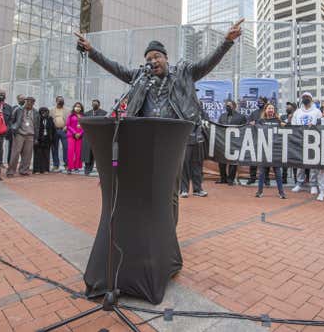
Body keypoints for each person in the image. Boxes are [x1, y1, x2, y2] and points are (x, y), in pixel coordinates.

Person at [76, 19, 244, 224]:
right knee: (144, 188)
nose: (153, 61)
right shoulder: (140, 77)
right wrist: (92, 52)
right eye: (149, 58)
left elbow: (208, 62)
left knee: (169, 192)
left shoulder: (184, 73)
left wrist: (226, 41)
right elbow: (115, 68)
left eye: (157, 56)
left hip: (172, 142)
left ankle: (168, 235)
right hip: (143, 141)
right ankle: (148, 229)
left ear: (166, 58)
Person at [291, 92, 322, 193]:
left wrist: (313, 126)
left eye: (307, 97)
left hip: (313, 141)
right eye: (303, 97)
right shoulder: (297, 112)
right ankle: (299, 183)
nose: (305, 99)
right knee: (300, 163)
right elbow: (293, 125)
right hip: (300, 140)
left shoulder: (317, 111)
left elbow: (320, 125)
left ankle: (313, 184)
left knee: (313, 163)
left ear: (311, 99)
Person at [255, 103, 287, 199]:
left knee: (277, 172)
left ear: (274, 111)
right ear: (265, 110)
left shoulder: (278, 120)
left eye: (272, 108)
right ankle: (259, 192)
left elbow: (288, 127)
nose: (270, 110)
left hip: (275, 150)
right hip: (264, 150)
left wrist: (284, 125)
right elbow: (255, 128)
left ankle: (281, 193)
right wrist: (253, 124)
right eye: (269, 108)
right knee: (261, 173)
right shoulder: (261, 121)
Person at [216, 100, 246, 185]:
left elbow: (244, 130)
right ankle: (223, 178)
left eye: (229, 105)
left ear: (234, 106)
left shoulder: (241, 117)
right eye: (226, 105)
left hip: (235, 143)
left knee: (233, 162)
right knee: (221, 161)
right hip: (223, 141)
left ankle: (230, 179)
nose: (227, 107)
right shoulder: (222, 116)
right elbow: (218, 128)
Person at [7, 97, 39, 177]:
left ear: (33, 103)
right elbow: (11, 120)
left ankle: (24, 170)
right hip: (19, 134)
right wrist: (13, 128)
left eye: (31, 102)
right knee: (15, 153)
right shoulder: (18, 110)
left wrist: (36, 137)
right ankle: (11, 171)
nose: (28, 104)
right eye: (27, 102)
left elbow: (37, 125)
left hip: (30, 134)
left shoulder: (35, 112)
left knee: (27, 154)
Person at [82, 99, 107, 175]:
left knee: (99, 154)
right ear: (91, 105)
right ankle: (87, 170)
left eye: (96, 104)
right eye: (93, 104)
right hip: (88, 136)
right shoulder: (86, 113)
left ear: (99, 105)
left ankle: (101, 171)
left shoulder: (104, 113)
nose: (94, 105)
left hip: (99, 136)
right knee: (88, 153)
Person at [247, 96, 268, 185]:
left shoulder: (269, 112)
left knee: (266, 161)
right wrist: (251, 123)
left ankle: (266, 179)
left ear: (265, 103)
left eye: (261, 101)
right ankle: (252, 178)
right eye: (258, 101)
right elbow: (248, 122)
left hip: (266, 139)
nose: (259, 103)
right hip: (255, 139)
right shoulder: (254, 113)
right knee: (253, 160)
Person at [33, 107, 54, 174]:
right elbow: (35, 128)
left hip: (47, 139)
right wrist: (35, 138)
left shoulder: (50, 119)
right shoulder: (37, 118)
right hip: (38, 138)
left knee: (46, 154)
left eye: (46, 111)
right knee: (38, 154)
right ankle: (37, 169)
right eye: (42, 111)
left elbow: (53, 129)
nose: (44, 113)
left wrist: (52, 138)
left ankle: (45, 169)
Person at [280, 101, 297, 184]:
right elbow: (281, 125)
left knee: (295, 161)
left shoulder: (297, 116)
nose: (287, 108)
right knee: (284, 161)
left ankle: (296, 179)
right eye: (286, 107)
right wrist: (288, 121)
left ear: (294, 108)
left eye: (289, 107)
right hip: (285, 141)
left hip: (295, 142)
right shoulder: (283, 116)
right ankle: (284, 178)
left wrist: (290, 121)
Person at [66, 102, 84, 174]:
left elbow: (85, 126)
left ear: (81, 108)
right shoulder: (70, 116)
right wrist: (75, 133)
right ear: (74, 108)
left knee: (78, 152)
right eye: (76, 106)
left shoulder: (83, 116)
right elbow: (68, 125)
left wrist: (80, 133)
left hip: (80, 136)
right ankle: (69, 168)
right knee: (71, 151)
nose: (78, 108)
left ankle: (76, 167)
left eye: (79, 107)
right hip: (71, 135)